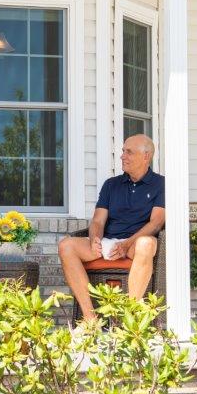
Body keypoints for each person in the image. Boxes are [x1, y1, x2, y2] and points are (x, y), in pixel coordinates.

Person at [58, 134, 165, 320]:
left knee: (146, 244)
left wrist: (127, 244)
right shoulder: (111, 185)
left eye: (129, 152)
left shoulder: (161, 184)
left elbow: (156, 223)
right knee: (66, 245)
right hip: (109, 242)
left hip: (135, 243)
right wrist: (95, 240)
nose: (123, 156)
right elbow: (98, 221)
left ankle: (130, 317)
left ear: (146, 156)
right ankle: (90, 318)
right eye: (123, 151)